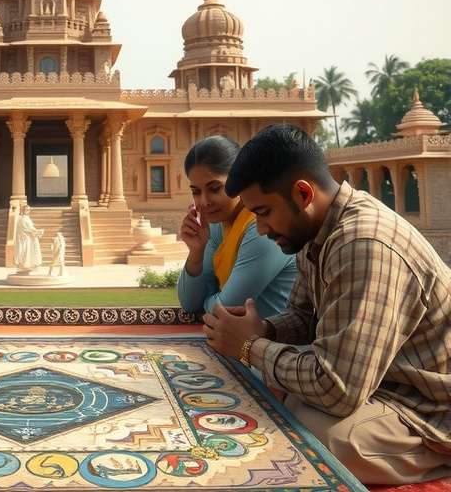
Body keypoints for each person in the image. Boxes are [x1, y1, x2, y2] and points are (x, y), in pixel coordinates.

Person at [203, 124, 451, 485]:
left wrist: (248, 347)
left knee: (321, 436)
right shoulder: (319, 231)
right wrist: (266, 329)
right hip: (383, 382)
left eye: (264, 212)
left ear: (303, 193)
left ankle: (438, 458)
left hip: (429, 407)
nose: (261, 228)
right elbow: (305, 316)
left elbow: (337, 388)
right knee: (291, 403)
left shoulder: (364, 243)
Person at [177, 136, 296, 318]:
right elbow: (190, 303)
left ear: (240, 179)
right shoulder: (217, 224)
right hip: (238, 339)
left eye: (215, 188)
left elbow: (225, 308)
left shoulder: (263, 227)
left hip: (278, 342)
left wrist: (207, 301)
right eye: (196, 191)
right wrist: (195, 253)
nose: (204, 202)